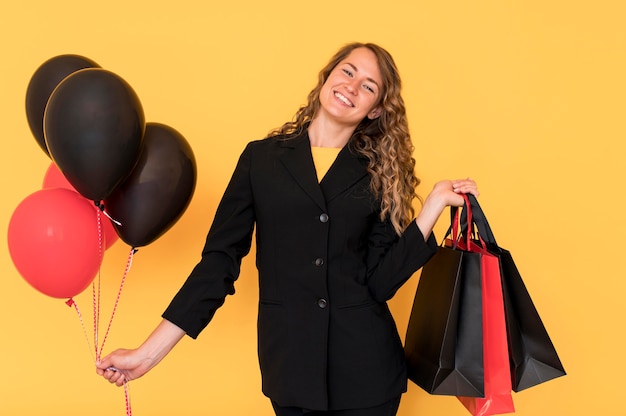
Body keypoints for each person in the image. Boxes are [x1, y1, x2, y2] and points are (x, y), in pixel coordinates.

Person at [96, 42, 479, 416]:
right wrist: (148, 354)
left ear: (376, 110)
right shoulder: (260, 160)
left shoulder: (378, 177)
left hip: (368, 373)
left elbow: (379, 285)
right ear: (327, 76)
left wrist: (430, 211)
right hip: (291, 371)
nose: (351, 86)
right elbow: (217, 266)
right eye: (347, 71)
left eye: (368, 86)